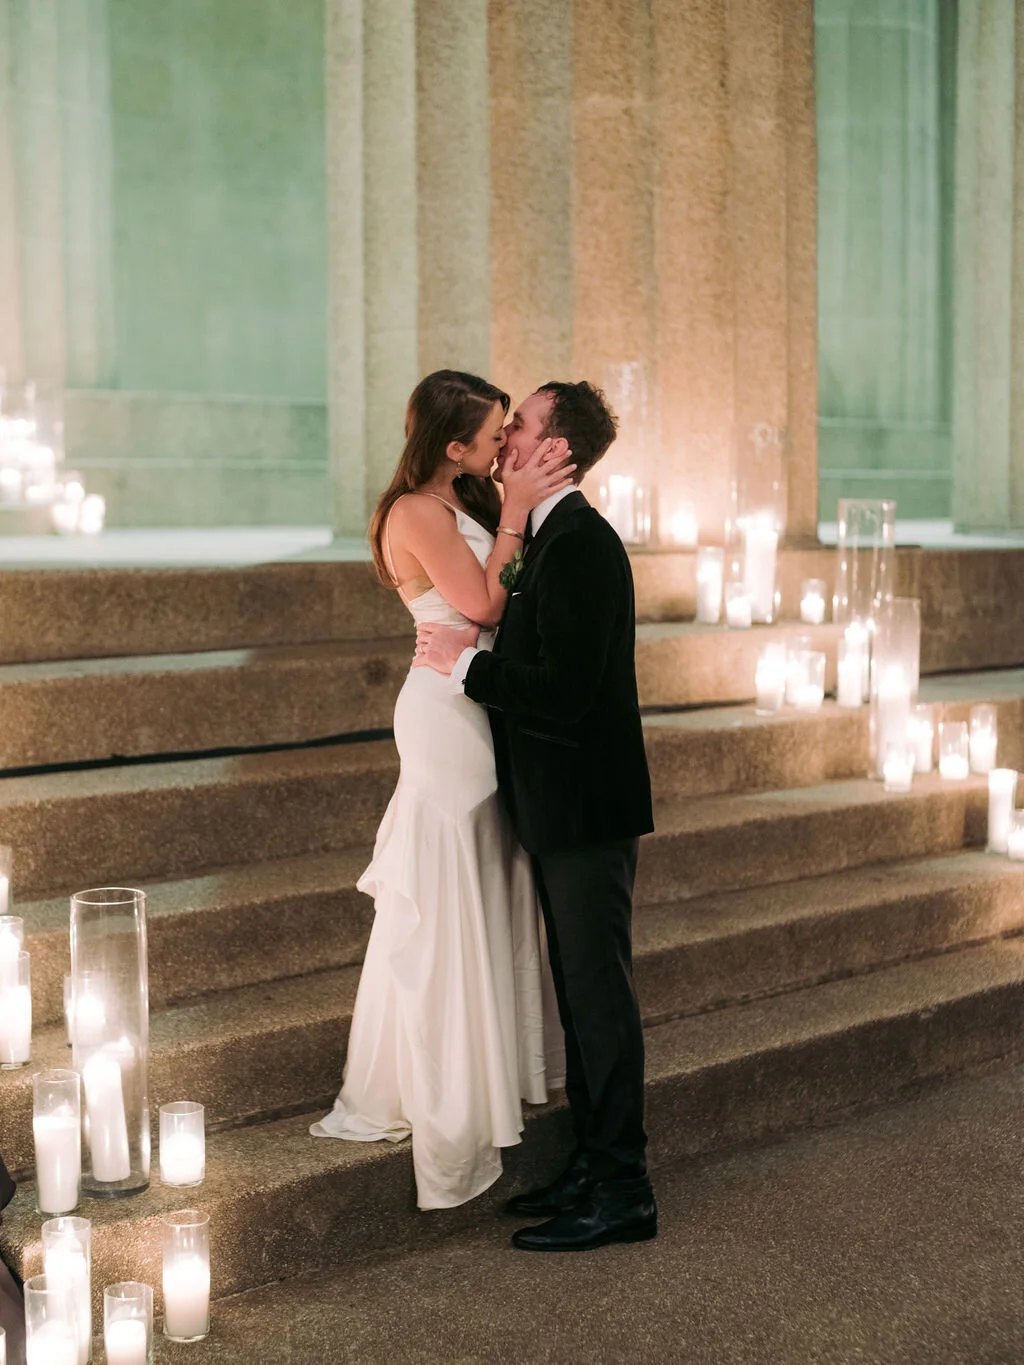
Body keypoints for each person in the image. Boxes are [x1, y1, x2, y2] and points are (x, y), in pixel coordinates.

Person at [311, 369, 573, 1210]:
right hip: (444, 710)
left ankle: (490, 1062)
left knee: (485, 873)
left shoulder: (454, 492)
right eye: (494, 435)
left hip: (474, 698)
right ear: (452, 443)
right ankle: (444, 1086)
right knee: (444, 889)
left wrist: (515, 515)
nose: (505, 448)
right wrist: (518, 516)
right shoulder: (414, 511)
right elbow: (487, 603)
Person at [414, 380, 657, 1252]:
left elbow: (564, 691)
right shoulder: (549, 536)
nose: (508, 432)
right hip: (560, 808)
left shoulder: (585, 544)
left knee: (599, 999)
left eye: (523, 423)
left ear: (557, 450)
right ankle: (592, 1165)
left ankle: (624, 1187)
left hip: (588, 811)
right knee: (580, 996)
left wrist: (464, 666)